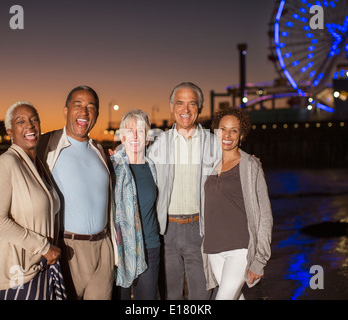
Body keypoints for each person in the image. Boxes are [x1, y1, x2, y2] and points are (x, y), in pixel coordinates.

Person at [37, 86, 117, 300]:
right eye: (78, 105)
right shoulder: (46, 145)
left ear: (97, 115)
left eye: (91, 107)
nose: (84, 112)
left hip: (104, 249)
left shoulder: (99, 151)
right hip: (67, 249)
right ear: (66, 110)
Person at [0, 101, 66, 300]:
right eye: (21, 122)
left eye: (34, 120)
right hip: (17, 272)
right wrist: (44, 248)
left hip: (40, 266)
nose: (29, 125)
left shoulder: (39, 165)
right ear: (10, 132)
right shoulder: (7, 162)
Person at [147, 82, 220, 300]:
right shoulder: (157, 145)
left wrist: (250, 164)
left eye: (192, 104)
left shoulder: (215, 144)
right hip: (166, 231)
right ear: (171, 106)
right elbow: (139, 175)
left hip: (201, 231)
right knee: (170, 297)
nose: (186, 110)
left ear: (201, 107)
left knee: (203, 296)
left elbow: (234, 174)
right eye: (180, 103)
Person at [202, 108, 273, 300]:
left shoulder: (250, 166)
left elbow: (265, 215)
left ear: (241, 135)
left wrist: (260, 259)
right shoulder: (208, 164)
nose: (227, 135)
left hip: (240, 249)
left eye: (234, 130)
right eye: (223, 128)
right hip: (213, 249)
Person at [111, 110, 161, 300]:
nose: (134, 135)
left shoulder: (154, 167)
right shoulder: (111, 168)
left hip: (150, 246)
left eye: (140, 131)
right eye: (129, 130)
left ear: (147, 139)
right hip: (120, 248)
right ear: (122, 137)